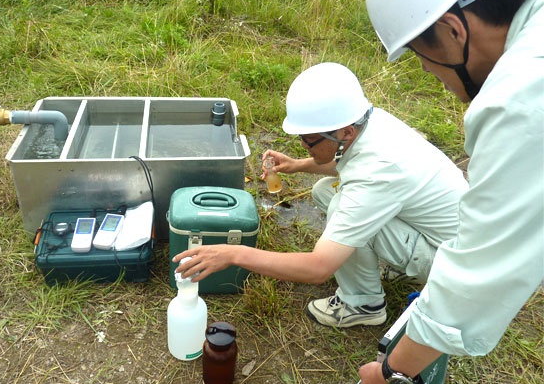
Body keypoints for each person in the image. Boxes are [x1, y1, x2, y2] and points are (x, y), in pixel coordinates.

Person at [359, 0, 544, 384]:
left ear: (453, 30)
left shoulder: (521, 96)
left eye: (425, 60)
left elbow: (478, 274)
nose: (432, 75)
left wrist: (393, 374)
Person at [173, 62, 468, 328]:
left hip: (453, 263)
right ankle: (396, 264)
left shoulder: (380, 169)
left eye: (309, 140)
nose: (303, 145)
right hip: (444, 233)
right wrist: (296, 165)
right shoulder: (369, 122)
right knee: (326, 191)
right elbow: (349, 164)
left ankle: (363, 305)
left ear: (346, 132)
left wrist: (233, 253)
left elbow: (319, 268)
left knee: (340, 204)